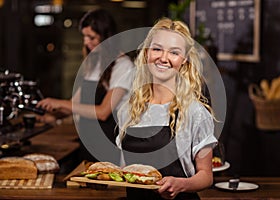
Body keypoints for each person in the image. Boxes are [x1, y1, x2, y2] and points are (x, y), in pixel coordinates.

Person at [116, 17, 217, 199]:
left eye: (174, 53)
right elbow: (126, 171)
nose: (163, 58)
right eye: (157, 49)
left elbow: (206, 176)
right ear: (147, 53)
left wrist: (181, 184)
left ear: (184, 60)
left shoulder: (195, 112)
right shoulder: (129, 110)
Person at [37, 9, 134, 161]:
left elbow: (103, 112)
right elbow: (75, 103)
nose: (85, 42)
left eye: (91, 37)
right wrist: (53, 116)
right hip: (89, 142)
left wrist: (59, 103)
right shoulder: (94, 64)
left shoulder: (124, 66)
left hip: (109, 145)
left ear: (106, 37)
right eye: (84, 36)